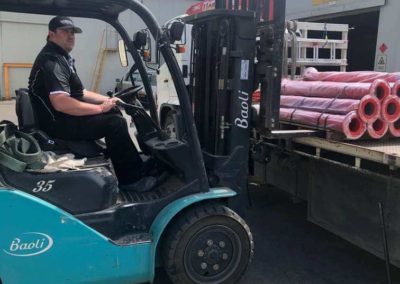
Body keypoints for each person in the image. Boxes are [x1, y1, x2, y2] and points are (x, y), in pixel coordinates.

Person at [28, 16, 156, 192]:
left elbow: (81, 93)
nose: (71, 35)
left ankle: (130, 165)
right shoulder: (52, 60)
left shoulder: (62, 58)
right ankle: (130, 180)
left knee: (114, 114)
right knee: (115, 123)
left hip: (60, 118)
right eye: (65, 31)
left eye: (72, 32)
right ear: (51, 34)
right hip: (57, 124)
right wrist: (100, 108)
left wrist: (108, 100)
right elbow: (61, 102)